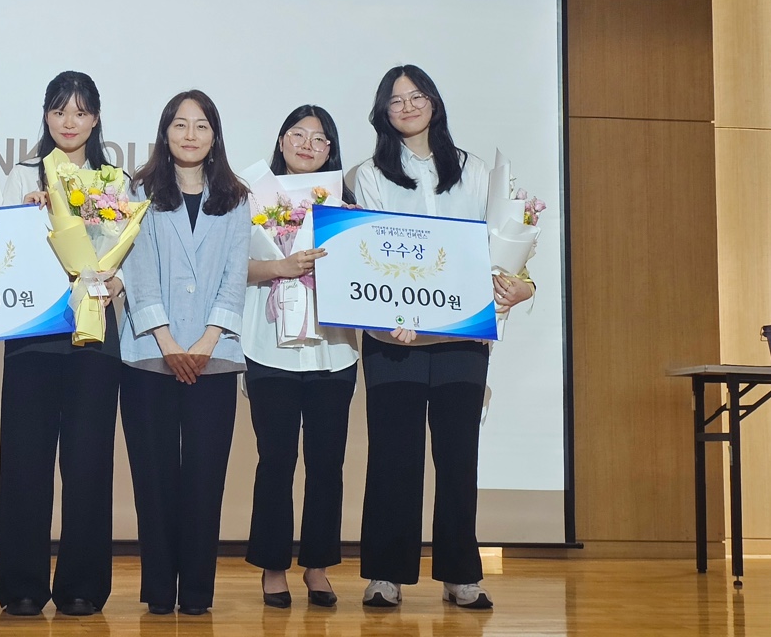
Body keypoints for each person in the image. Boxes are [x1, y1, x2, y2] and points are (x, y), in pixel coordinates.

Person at [353, 66, 534, 612]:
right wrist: (387, 315)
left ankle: (460, 574)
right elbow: (368, 250)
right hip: (392, 337)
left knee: (458, 458)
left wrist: (521, 286)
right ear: (383, 112)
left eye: (417, 96)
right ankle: (386, 574)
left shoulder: (475, 170)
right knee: (394, 458)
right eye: (396, 100)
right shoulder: (369, 175)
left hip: (462, 339)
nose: (408, 106)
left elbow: (503, 245)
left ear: (434, 102)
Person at [0, 71, 124, 617]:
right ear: (45, 116)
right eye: (59, 110)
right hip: (32, 331)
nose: (69, 122)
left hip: (94, 332)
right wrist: (26, 220)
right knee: (24, 460)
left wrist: (116, 282)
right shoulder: (19, 176)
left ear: (96, 119)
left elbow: (130, 251)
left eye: (81, 111)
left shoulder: (115, 180)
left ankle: (82, 585)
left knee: (89, 460)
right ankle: (21, 583)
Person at [119, 90, 249, 616]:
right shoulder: (139, 191)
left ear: (215, 136)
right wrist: (170, 343)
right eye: (180, 124)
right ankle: (158, 591)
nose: (190, 134)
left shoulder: (236, 198)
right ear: (165, 132)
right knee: (152, 479)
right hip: (150, 354)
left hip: (214, 357)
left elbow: (234, 278)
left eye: (201, 126)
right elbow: (137, 271)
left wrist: (206, 342)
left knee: (204, 478)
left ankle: (197, 592)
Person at [242, 105, 359, 608]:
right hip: (269, 346)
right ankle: (273, 566)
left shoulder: (346, 206)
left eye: (319, 138)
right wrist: (281, 266)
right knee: (276, 461)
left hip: (333, 350)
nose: (307, 145)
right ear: (281, 141)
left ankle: (317, 566)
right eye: (297, 134)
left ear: (331, 150)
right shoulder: (252, 198)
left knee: (327, 463)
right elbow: (234, 266)